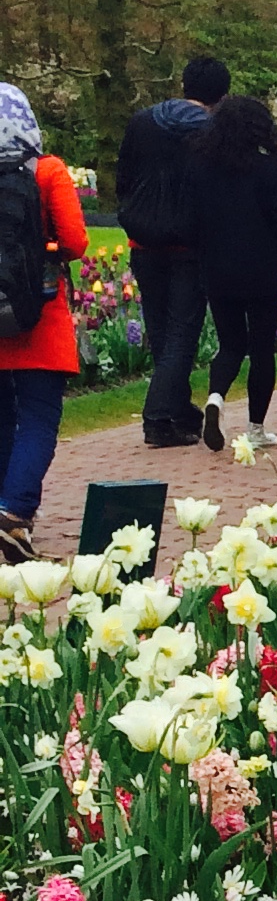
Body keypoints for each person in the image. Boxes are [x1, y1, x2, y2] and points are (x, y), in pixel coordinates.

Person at [113, 50, 229, 448]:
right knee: (183, 329)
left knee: (161, 327)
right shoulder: (213, 131)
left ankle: (178, 412)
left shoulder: (143, 121)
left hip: (143, 235)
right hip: (189, 240)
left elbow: (124, 175)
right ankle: (159, 416)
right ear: (222, 95)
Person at [0, 80, 87, 560]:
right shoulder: (47, 170)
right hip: (40, 312)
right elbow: (75, 241)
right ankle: (14, 513)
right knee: (37, 417)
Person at [192, 94, 277, 452]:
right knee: (261, 349)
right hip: (262, 268)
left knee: (229, 344)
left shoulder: (202, 167)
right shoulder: (270, 168)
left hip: (218, 267)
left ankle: (215, 397)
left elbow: (192, 219)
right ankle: (256, 428)